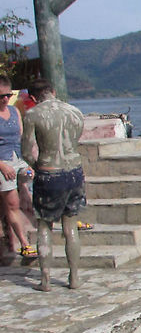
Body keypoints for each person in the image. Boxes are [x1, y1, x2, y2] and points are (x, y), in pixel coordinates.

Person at [21, 78, 86, 291]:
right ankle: (74, 277)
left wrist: (38, 166)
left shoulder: (33, 114)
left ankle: (46, 280)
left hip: (49, 173)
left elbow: (26, 151)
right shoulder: (75, 112)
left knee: (44, 226)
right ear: (54, 91)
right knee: (70, 227)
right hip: (74, 172)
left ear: (32, 97)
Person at [0, 75, 34, 257]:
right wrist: (2, 166)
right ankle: (24, 242)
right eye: (0, 96)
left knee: (34, 176)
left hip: (17, 157)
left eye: (7, 95)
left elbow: (21, 137)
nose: (4, 99)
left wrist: (26, 166)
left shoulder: (14, 111)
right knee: (12, 203)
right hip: (2, 161)